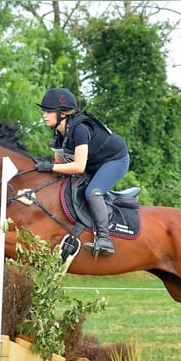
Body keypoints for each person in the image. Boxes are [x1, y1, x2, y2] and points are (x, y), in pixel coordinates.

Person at [34, 87, 130, 257]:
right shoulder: (58, 132)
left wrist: (49, 167)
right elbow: (59, 162)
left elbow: (78, 167)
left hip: (115, 160)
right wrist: (47, 166)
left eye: (49, 111)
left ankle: (104, 239)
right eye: (44, 111)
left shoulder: (80, 129)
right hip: (93, 162)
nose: (44, 115)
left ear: (62, 114)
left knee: (93, 192)